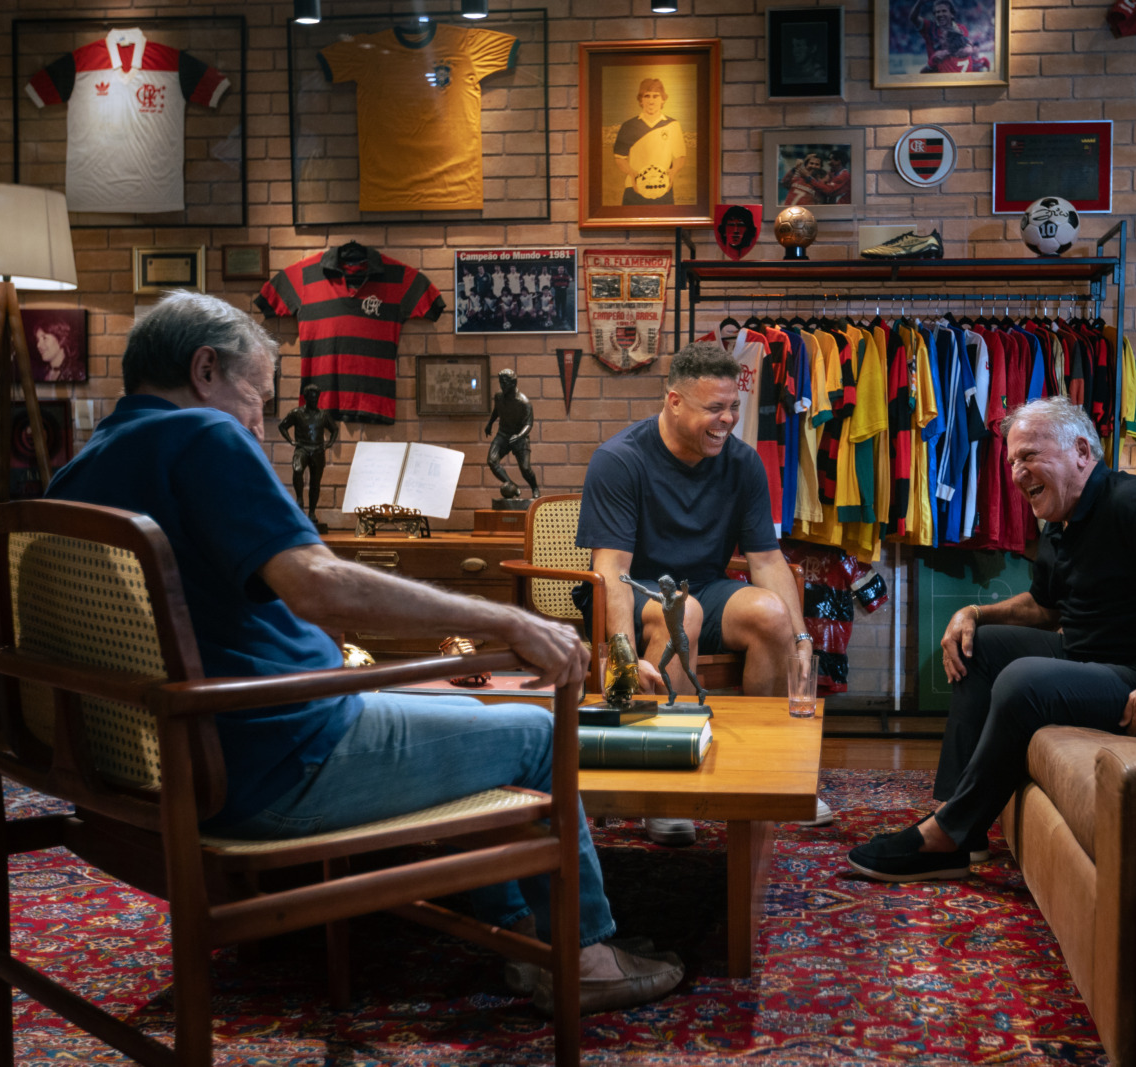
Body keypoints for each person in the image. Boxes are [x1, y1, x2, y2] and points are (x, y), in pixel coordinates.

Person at [43, 291, 683, 1014]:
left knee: (472, 711)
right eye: (258, 395)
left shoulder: (78, 473)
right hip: (275, 762)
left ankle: (523, 934)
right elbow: (321, 587)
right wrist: (507, 620)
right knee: (537, 729)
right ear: (204, 369)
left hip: (157, 773)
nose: (262, 423)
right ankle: (587, 958)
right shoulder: (202, 438)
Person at [847, 397, 1136, 882]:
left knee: (1024, 680)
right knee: (982, 647)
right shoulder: (1064, 523)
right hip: (1100, 661)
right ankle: (962, 823)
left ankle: (946, 835)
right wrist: (972, 612)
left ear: (1081, 450)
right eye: (1012, 461)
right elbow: (1043, 605)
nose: (1017, 472)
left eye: (1029, 455)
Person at [576, 341, 828, 845]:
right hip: (632, 591)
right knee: (680, 613)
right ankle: (665, 790)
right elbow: (610, 569)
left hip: (704, 588)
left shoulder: (743, 463)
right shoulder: (619, 460)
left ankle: (764, 772)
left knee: (772, 615)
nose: (728, 419)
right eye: (714, 408)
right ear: (674, 402)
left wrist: (801, 640)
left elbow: (767, 561)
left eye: (734, 406)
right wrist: (620, 657)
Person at [619, 574, 705, 705]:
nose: (662, 590)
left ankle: (700, 690)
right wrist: (630, 581)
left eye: (663, 587)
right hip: (672, 641)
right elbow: (645, 591)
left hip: (681, 640)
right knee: (661, 666)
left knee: (687, 669)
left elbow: (684, 597)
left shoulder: (677, 600)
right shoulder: (662, 599)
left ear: (670, 587)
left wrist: (685, 589)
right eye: (661, 587)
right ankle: (672, 693)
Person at [613, 78, 686, 207]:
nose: (651, 101)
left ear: (663, 99)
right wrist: (631, 172)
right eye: (647, 96)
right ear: (641, 100)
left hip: (663, 187)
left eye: (656, 96)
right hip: (634, 188)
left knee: (664, 226)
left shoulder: (673, 125)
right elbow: (620, 158)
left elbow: (680, 156)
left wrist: (673, 172)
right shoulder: (628, 126)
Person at [277, 383, 340, 525]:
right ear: (305, 398)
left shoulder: (323, 415)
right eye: (311, 398)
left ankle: (312, 512)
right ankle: (299, 498)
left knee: (315, 482)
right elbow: (282, 426)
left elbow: (334, 429)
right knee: (297, 469)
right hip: (302, 448)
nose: (313, 401)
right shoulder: (296, 413)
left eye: (315, 398)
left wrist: (329, 443)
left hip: (317, 450)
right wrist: (291, 441)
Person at [485, 368, 540, 500]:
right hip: (503, 434)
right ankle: (512, 485)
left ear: (514, 384)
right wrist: (490, 423)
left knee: (525, 469)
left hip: (520, 437)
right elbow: (497, 410)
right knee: (492, 461)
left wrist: (519, 436)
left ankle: (535, 488)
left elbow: (529, 424)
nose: (502, 386)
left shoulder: (524, 402)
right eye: (501, 383)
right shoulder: (498, 396)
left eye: (505, 383)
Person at [909, 0, 990, 73]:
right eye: (937, 12)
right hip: (934, 72)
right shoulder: (929, 27)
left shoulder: (960, 28)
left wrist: (946, 53)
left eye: (944, 11)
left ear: (951, 14)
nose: (940, 14)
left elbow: (967, 49)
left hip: (952, 71)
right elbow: (913, 18)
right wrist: (920, 2)